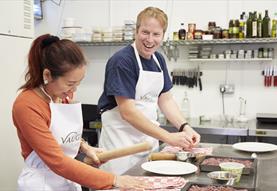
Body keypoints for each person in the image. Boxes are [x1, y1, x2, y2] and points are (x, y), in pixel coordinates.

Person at [12, 34, 149, 191]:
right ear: (47, 75)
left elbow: (60, 136)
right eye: (70, 83)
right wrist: (114, 179)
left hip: (67, 180)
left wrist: (85, 147)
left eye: (78, 83)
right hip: (41, 184)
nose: (73, 91)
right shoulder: (27, 105)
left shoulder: (59, 96)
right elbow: (57, 161)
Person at [98, 6, 201, 175]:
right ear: (136, 31)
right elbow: (128, 112)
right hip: (120, 146)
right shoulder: (122, 61)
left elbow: (165, 100)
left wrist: (185, 127)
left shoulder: (158, 60)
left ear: (163, 36)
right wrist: (168, 137)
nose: (150, 40)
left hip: (147, 142)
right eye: (145, 32)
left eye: (156, 34)